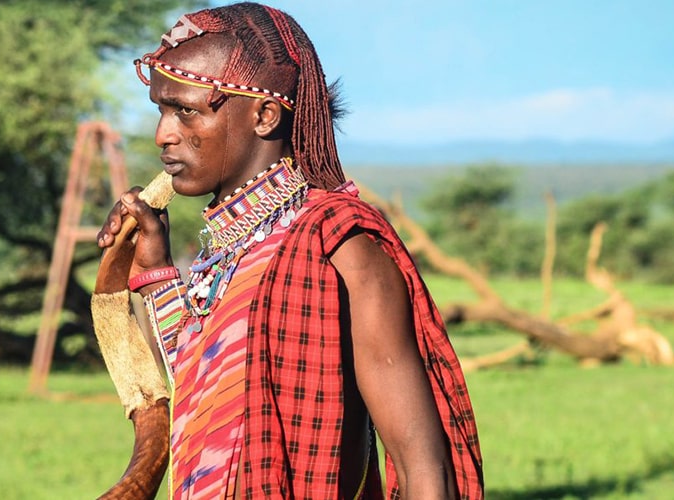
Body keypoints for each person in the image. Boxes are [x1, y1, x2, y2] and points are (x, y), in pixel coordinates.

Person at [98, 3, 483, 498]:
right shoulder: (227, 248)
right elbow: (199, 390)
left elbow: (420, 467)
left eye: (186, 111)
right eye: (161, 110)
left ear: (264, 115)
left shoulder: (339, 243)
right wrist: (154, 268)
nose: (163, 135)